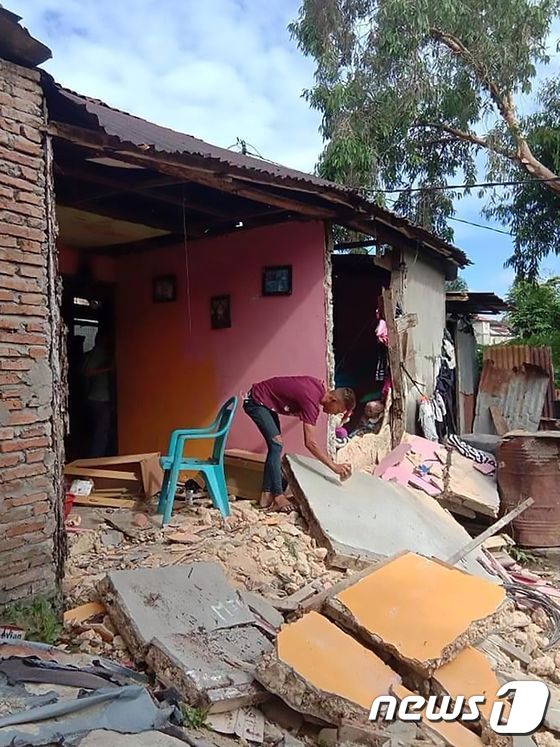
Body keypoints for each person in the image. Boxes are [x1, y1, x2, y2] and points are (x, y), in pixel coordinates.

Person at [243, 376, 356, 512]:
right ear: (333, 400)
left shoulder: (318, 389)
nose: (334, 414)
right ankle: (279, 497)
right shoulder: (311, 402)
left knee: (275, 445)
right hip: (256, 401)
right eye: (337, 410)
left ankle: (265, 497)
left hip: (265, 403)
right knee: (276, 444)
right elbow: (310, 443)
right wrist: (334, 466)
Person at [83, 325, 114, 458]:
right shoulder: (99, 351)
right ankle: (96, 460)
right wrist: (109, 368)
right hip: (98, 399)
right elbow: (88, 372)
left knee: (103, 431)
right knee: (100, 432)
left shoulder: (106, 351)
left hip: (102, 398)